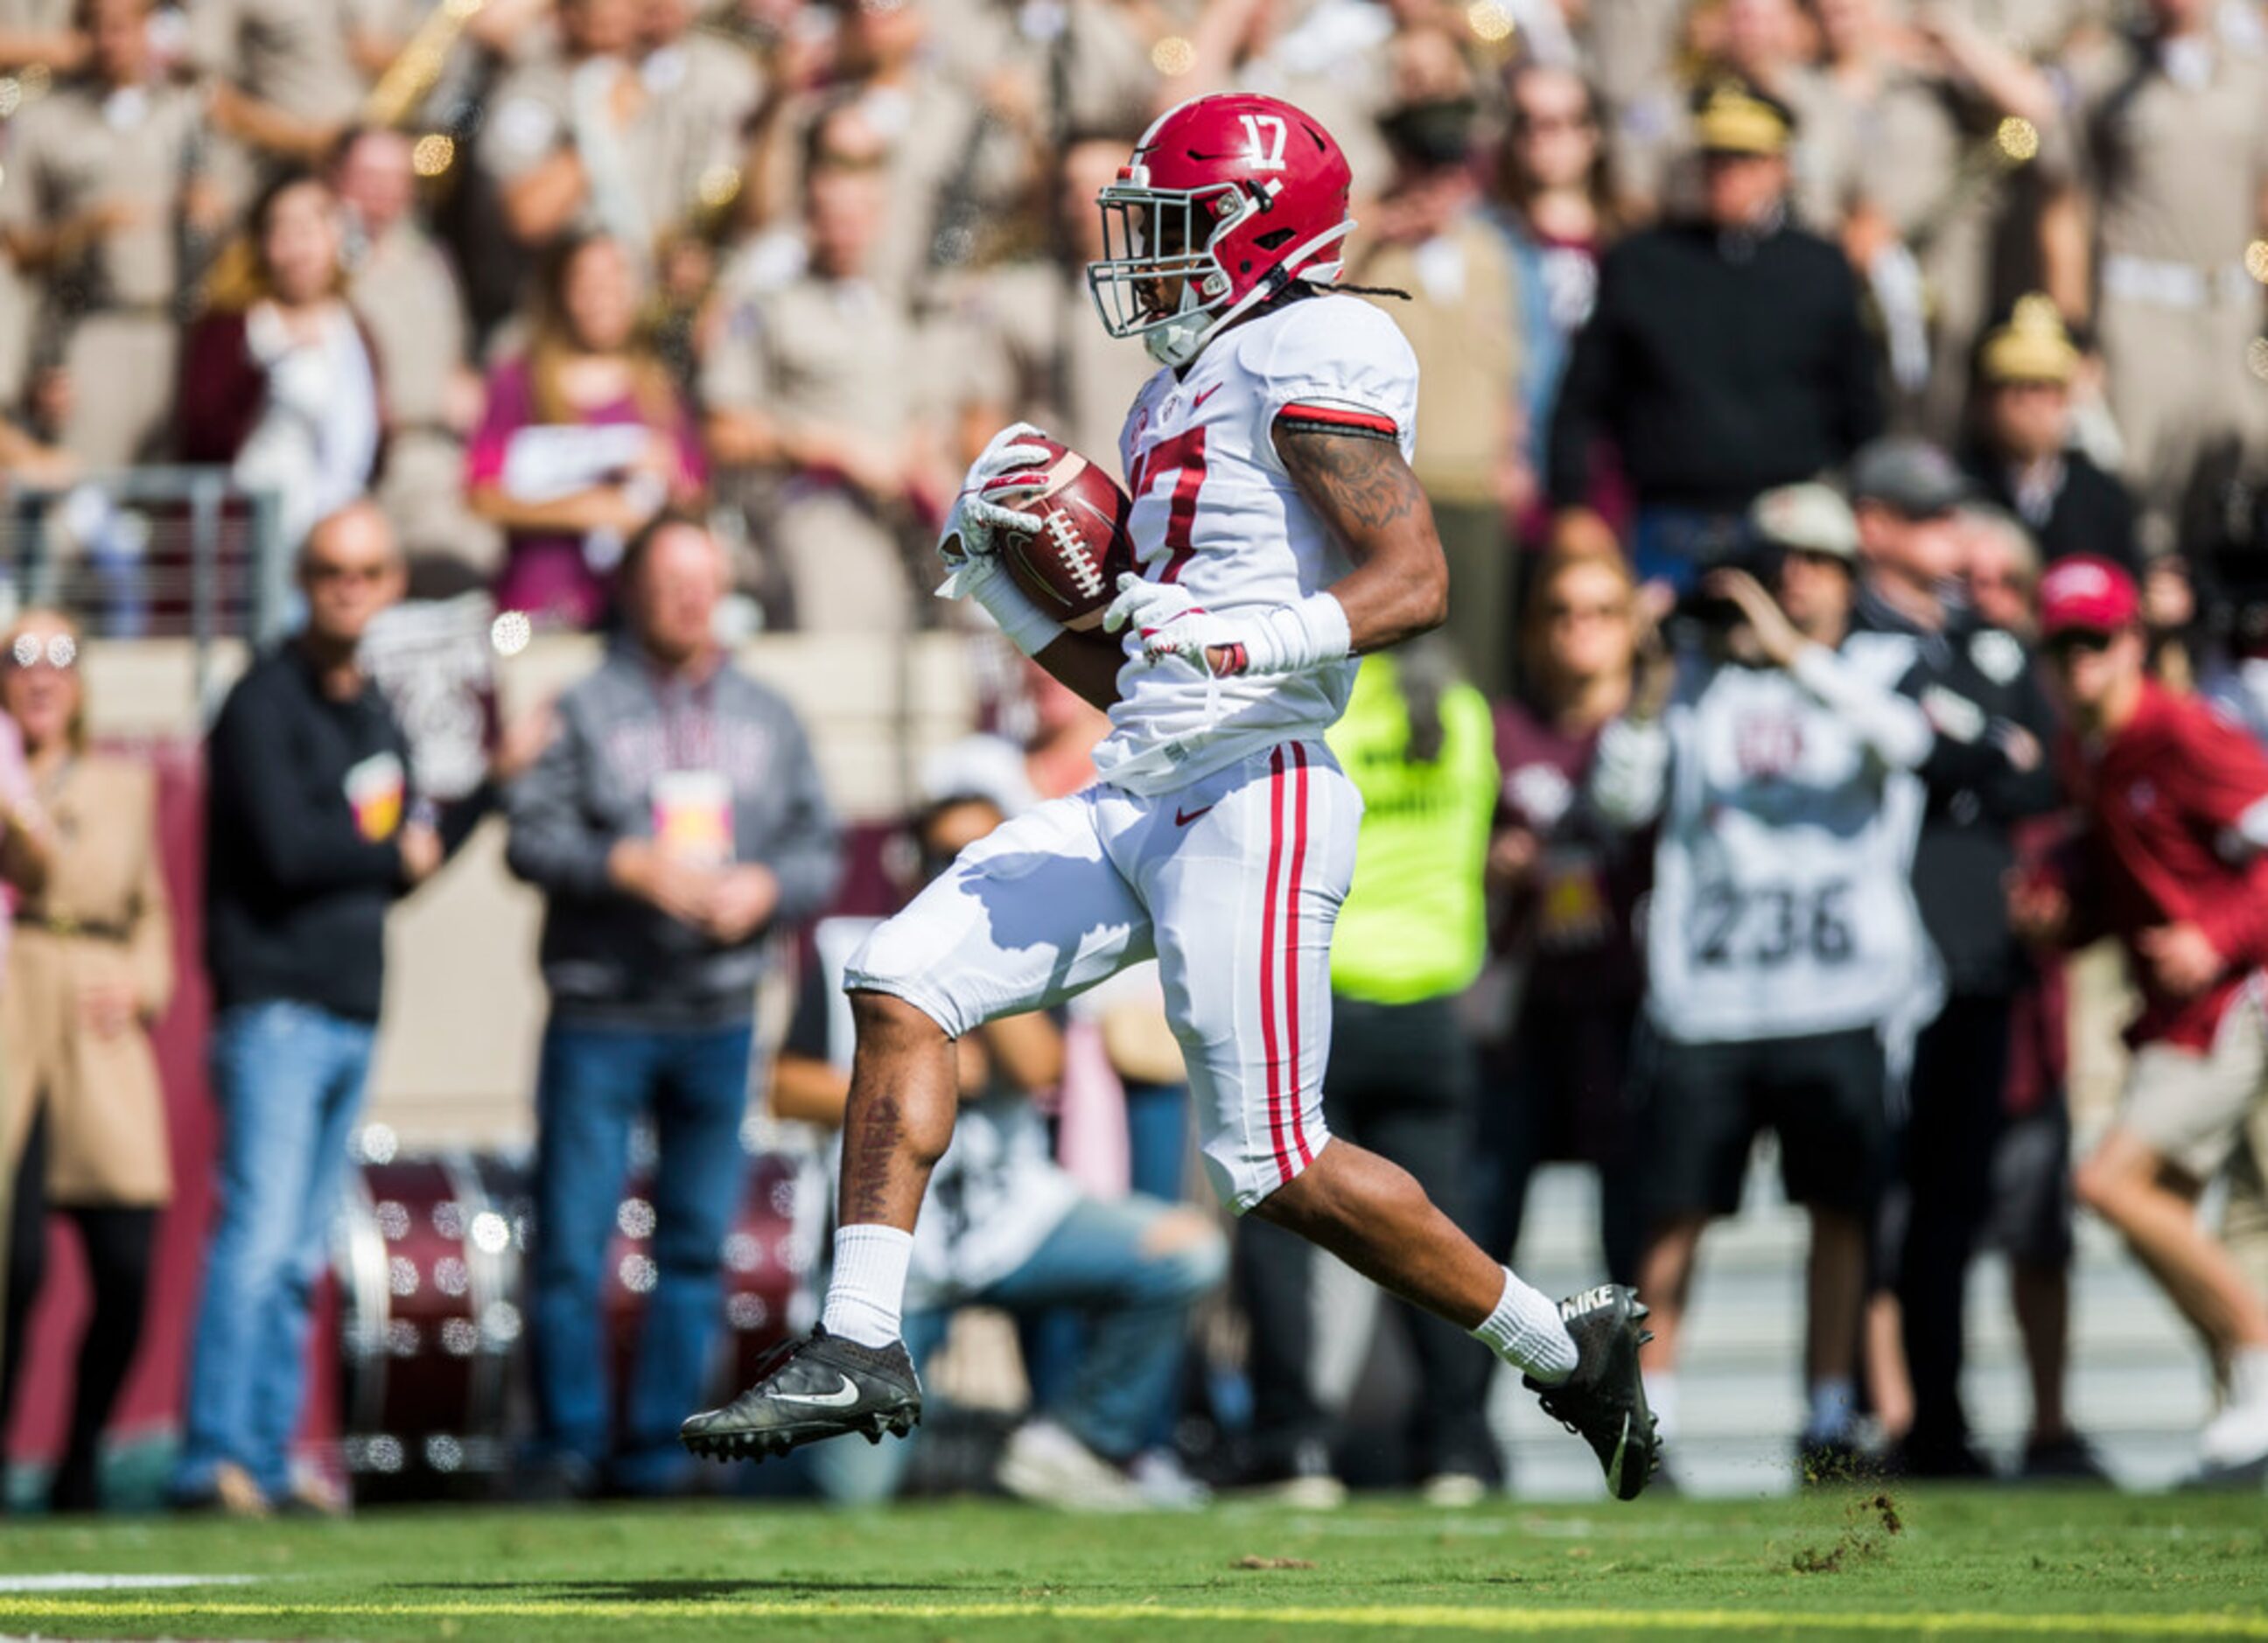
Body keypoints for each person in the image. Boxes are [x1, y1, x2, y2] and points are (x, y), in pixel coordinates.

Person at [679, 93, 1662, 1504]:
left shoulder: (1316, 342)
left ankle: (1563, 1345)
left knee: (1273, 1163)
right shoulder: (1169, 392)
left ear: (1257, 227)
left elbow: (1413, 579)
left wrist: (1254, 638)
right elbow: (1142, 667)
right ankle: (859, 1337)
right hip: (1145, 781)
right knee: (896, 975)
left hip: (1254, 790)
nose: (1144, 253)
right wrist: (1014, 610)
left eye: (1174, 224)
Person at [1593, 481, 1936, 1477]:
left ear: (1848, 576)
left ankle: (1829, 1416)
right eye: (1778, 560)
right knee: (1675, 1217)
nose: (1794, 580)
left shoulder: (1882, 663)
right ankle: (1648, 1425)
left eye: (1817, 561)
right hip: (1710, 999)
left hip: (1838, 993)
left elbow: (1909, 747)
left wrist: (1793, 656)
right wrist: (1652, 687)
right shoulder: (1696, 677)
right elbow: (1621, 801)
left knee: (1837, 1213)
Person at [504, 512, 842, 1498]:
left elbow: (819, 847)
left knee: (695, 1245)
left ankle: (658, 1448)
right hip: (601, 1011)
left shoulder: (772, 716)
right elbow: (529, 839)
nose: (691, 598)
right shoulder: (581, 705)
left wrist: (767, 889)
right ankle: (565, 1445)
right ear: (635, 589)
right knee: (571, 1242)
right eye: (672, 580)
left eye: (706, 579)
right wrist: (623, 865)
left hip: (719, 1014)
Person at [783, 793, 1225, 1511]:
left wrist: (977, 959)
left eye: (977, 858)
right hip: (901, 1256)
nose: (960, 874)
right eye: (943, 859)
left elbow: (1039, 1070)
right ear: (909, 868)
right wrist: (897, 1084)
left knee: (1187, 1252)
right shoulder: (855, 951)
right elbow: (783, 1087)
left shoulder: (1030, 947)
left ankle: (1075, 1442)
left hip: (1014, 1221)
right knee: (852, 1499)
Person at [173, 502, 443, 1516]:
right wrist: (384, 854)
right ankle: (211, 1457)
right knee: (254, 1240)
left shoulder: (374, 709)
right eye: (331, 568)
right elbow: (294, 852)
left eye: (367, 570)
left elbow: (405, 854)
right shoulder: (261, 701)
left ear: (392, 581)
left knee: (295, 1252)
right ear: (302, 575)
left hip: (351, 1004)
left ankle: (270, 1457)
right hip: (276, 1006)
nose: (348, 586)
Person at [2011, 555, 2268, 1484]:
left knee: (2111, 1185)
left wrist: (2218, 936)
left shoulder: (2189, 736)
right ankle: (2247, 1397)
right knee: (2172, 1206)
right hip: (2176, 1008)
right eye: (2063, 644)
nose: (2081, 661)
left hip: (2236, 996)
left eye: (2097, 641)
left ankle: (2255, 1359)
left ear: (2134, 644)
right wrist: (2060, 910)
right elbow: (2122, 879)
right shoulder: (2088, 752)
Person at [1234, 639, 1503, 1505]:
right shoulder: (1465, 714)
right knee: (1441, 1230)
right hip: (1432, 1009)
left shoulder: (1327, 709)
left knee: (1280, 1222)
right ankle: (1455, 1450)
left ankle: (1292, 1447)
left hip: (1324, 997)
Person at [1846, 437, 2062, 1477]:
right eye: (1927, 518)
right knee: (1867, 1205)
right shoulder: (1854, 642)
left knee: (1952, 1206)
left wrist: (1975, 760)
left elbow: (2037, 771)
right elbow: (1980, 759)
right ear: (1873, 527)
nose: (1953, 537)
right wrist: (1980, 757)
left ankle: (1939, 1416)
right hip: (1874, 961)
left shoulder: (1991, 645)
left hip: (1976, 959)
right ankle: (1868, 1413)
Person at [1547, 80, 1882, 591]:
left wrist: (1862, 503)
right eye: (1715, 158)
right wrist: (1572, 505)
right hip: (1670, 522)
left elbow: (1862, 408)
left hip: (1790, 521)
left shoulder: (1820, 268)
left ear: (1781, 167)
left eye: (1746, 159)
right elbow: (1581, 399)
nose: (1727, 174)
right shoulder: (1641, 263)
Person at [0, 611, 170, 1514]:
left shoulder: (123, 785)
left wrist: (142, 984)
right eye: (19, 657)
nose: (39, 674)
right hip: (12, 1013)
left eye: (59, 656)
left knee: (127, 1262)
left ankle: (80, 1460)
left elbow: (156, 915)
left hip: (100, 1022)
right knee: (12, 1263)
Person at [1479, 546, 1651, 1291]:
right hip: (1525, 1010)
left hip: (1634, 1009)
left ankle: (1639, 1395)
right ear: (1529, 630)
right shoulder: (1496, 732)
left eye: (1603, 612)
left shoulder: (1663, 736)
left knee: (1633, 1220)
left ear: (1633, 630)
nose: (1580, 628)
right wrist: (1486, 859)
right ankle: (1464, 1404)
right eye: (1561, 611)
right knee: (1489, 1213)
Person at [2039, 0, 2268, 548]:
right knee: (2141, 480)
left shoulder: (2251, 72)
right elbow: (2066, 206)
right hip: (2140, 301)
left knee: (2245, 457)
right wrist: (2074, 330)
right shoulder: (2104, 69)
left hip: (2229, 302)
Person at [700, 137, 951, 633]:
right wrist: (832, 449)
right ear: (808, 219)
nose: (846, 229)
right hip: (819, 509)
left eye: (859, 213)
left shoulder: (895, 307)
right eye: (831, 214)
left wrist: (922, 456)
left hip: (906, 515)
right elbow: (724, 429)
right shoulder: (769, 308)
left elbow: (928, 409)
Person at [1345, 31, 1522, 696]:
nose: (1442, 184)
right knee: (1390, 666)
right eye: (1427, 164)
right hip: (1392, 483)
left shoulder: (1489, 253)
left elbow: (1506, 366)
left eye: (1453, 167)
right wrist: (1378, 229)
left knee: (1477, 661)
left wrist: (1511, 453)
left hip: (1474, 484)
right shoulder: (1372, 250)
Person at [0, 0, 211, 469]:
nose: (111, 41)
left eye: (123, 28)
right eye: (98, 29)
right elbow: (17, 245)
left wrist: (205, 208)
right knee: (87, 486)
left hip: (177, 326)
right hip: (92, 325)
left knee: (171, 500)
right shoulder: (45, 121)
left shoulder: (185, 113)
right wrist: (85, 227)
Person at [466, 232, 707, 632]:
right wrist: (586, 508)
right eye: (587, 282)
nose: (602, 296)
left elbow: (694, 496)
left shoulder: (658, 391)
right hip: (534, 611)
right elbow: (481, 495)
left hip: (631, 618)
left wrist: (667, 487)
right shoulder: (519, 382)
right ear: (562, 290)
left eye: (615, 279)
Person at [177, 169, 383, 554]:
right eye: (284, 231)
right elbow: (203, 430)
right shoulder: (233, 328)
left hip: (328, 533)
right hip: (246, 534)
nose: (299, 248)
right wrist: (264, 370)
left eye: (312, 228)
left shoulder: (354, 329)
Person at [331, 125, 497, 584]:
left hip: (442, 456)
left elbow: (455, 356)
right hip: (369, 467)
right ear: (339, 178)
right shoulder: (327, 261)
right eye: (369, 175)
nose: (383, 189)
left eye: (396, 176)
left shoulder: (429, 260)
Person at [1959, 299, 2139, 574]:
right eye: (2017, 387)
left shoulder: (2105, 499)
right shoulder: (1957, 493)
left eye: (2050, 387)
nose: (2036, 405)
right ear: (1983, 397)